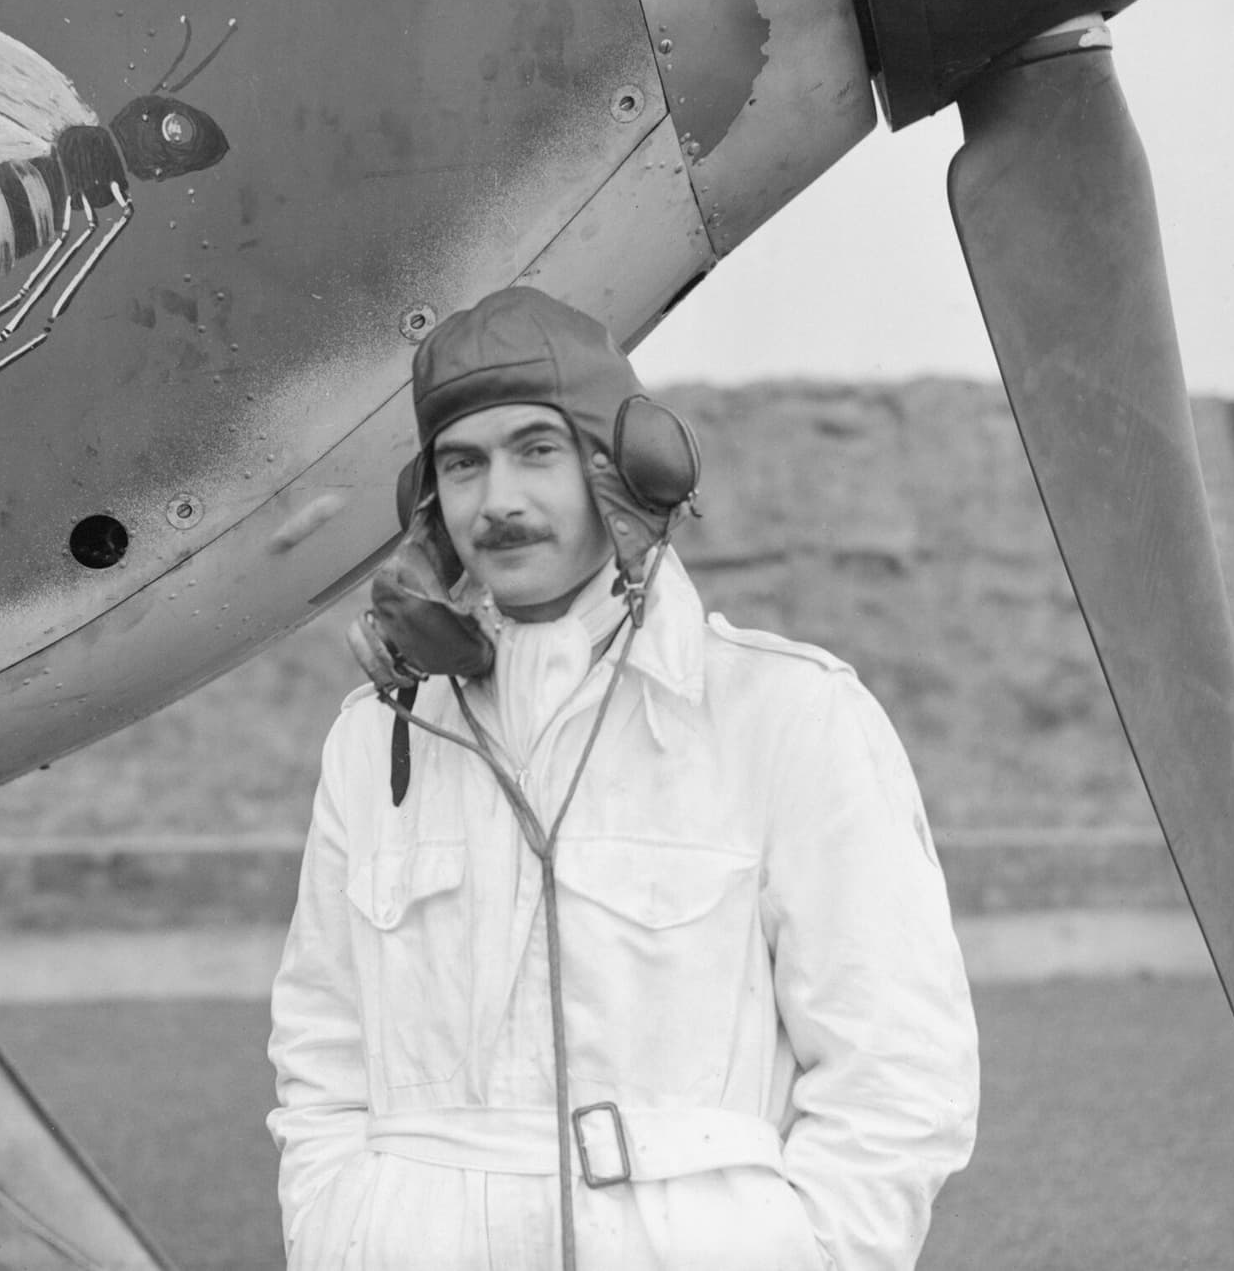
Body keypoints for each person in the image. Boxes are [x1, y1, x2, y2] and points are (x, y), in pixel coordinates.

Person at [267, 287, 978, 1270]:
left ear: (630, 468)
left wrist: (804, 1254)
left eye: (536, 450)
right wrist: (337, 1235)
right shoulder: (369, 741)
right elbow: (321, 1049)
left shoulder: (786, 716)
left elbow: (894, 1071)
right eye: (461, 464)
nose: (497, 501)